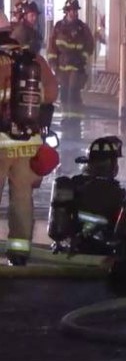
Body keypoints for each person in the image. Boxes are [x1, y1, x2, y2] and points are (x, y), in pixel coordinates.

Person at [0, 31, 58, 265]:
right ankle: (19, 251)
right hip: (28, 143)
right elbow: (52, 93)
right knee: (23, 198)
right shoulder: (33, 60)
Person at [47, 136, 126, 256]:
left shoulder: (74, 184)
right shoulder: (118, 193)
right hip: (104, 250)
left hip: (72, 246)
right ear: (113, 165)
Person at [47, 0, 94, 116]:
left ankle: (74, 121)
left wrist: (82, 58)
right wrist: (53, 64)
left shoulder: (82, 28)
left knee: (74, 94)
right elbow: (52, 47)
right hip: (61, 69)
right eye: (71, 11)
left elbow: (90, 45)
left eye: (75, 11)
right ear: (66, 12)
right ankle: (66, 118)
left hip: (77, 67)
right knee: (64, 94)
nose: (74, 13)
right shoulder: (58, 27)